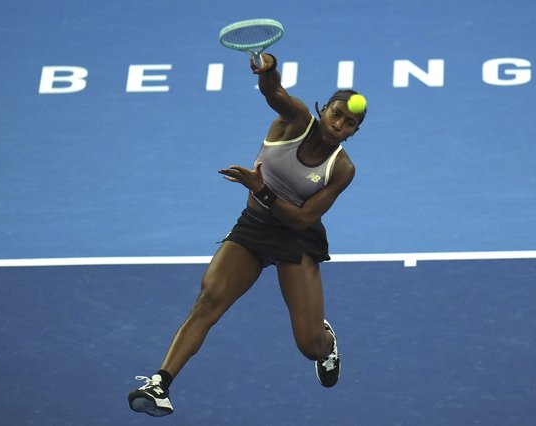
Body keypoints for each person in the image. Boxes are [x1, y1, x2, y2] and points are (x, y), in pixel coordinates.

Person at [128, 52, 367, 417]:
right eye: (337, 114)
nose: (339, 125)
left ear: (353, 132)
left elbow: (303, 220)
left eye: (350, 123)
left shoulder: (342, 169)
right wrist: (269, 74)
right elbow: (275, 95)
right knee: (208, 301)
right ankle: (160, 382)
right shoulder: (296, 121)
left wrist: (262, 190)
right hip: (254, 229)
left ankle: (327, 342)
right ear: (323, 109)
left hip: (297, 239)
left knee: (309, 345)